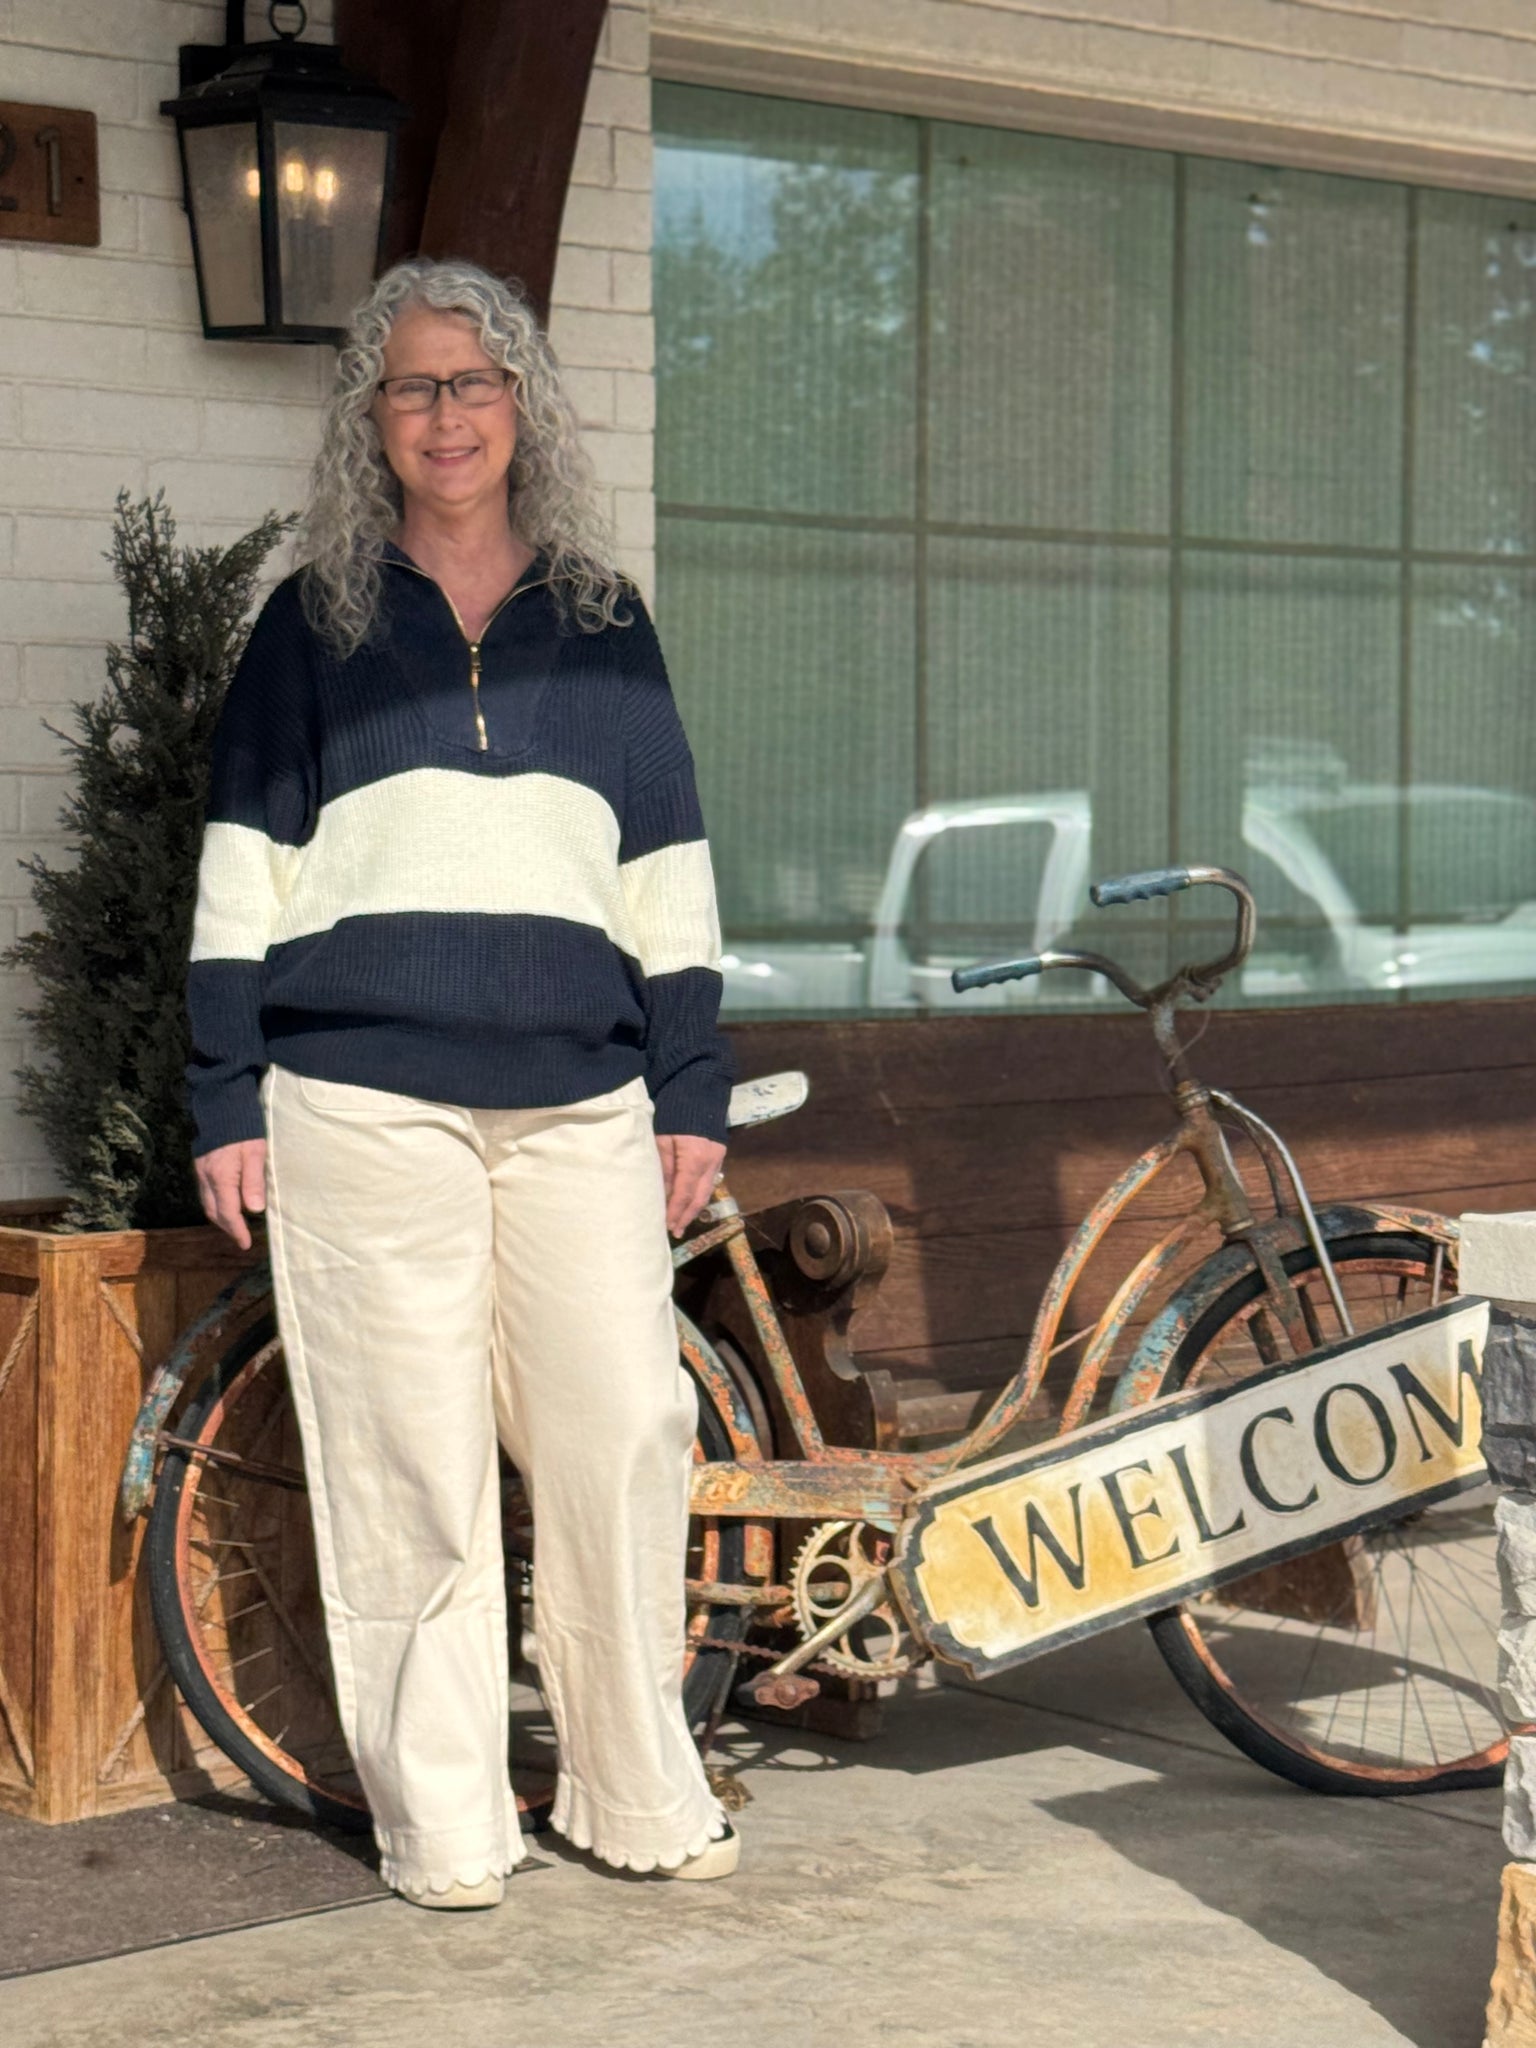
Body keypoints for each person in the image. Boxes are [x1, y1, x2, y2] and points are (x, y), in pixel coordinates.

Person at [186, 255, 737, 1907]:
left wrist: (691, 1086)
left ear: (524, 408)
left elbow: (670, 871)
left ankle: (636, 1795)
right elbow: (239, 871)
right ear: (375, 416)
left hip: (583, 1098)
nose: (448, 415)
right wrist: (227, 1097)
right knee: (404, 1460)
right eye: (416, 386)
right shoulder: (314, 623)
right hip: (361, 1099)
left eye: (477, 382)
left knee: (621, 1435)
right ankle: (447, 1828)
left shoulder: (604, 619)